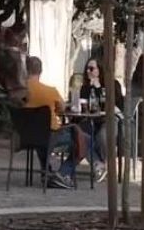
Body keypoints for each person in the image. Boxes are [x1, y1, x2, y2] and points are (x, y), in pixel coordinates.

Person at [21, 56, 92, 189]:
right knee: (86, 139)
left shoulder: (20, 92)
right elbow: (62, 108)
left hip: (25, 137)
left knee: (40, 134)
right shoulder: (50, 91)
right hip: (50, 136)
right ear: (41, 71)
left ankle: (47, 172)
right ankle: (61, 174)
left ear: (26, 70)